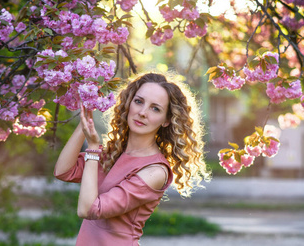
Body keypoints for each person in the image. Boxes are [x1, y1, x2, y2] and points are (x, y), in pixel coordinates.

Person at [54, 72, 211, 246]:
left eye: (155, 108)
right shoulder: (113, 154)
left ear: (166, 120)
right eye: (139, 102)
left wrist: (92, 147)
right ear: (129, 103)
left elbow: (88, 209)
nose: (142, 113)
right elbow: (63, 171)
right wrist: (85, 122)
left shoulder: (155, 171)